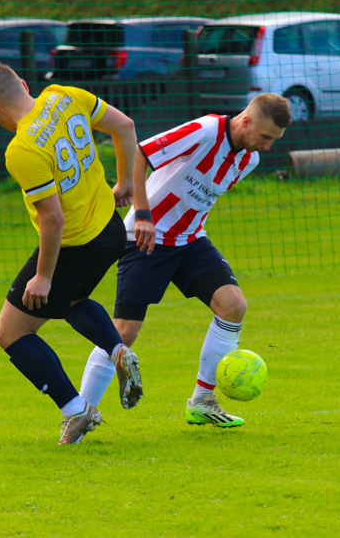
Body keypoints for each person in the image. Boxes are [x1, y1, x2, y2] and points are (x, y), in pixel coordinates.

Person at [78, 93, 291, 427]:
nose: (267, 147)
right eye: (265, 137)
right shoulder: (206, 130)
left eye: (274, 141)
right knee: (124, 332)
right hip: (146, 238)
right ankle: (81, 412)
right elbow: (142, 152)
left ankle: (202, 400)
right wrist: (143, 212)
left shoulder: (248, 161)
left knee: (233, 305)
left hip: (190, 241)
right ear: (247, 120)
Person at [0, 62, 143, 445]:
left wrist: (44, 276)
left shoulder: (22, 150)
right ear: (23, 82)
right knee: (73, 300)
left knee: (11, 332)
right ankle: (118, 351)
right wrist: (124, 183)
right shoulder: (62, 95)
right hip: (112, 230)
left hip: (75, 245)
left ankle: (76, 410)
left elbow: (52, 219)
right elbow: (126, 127)